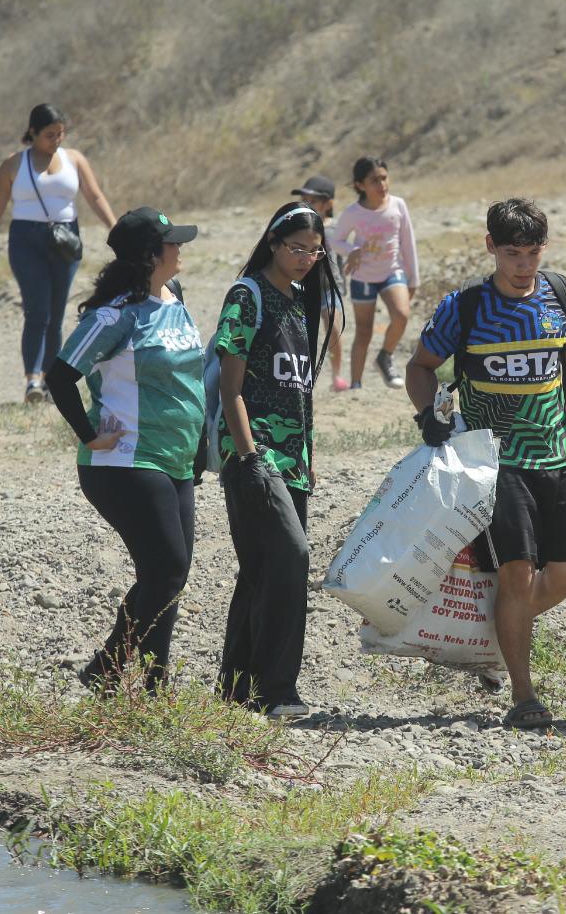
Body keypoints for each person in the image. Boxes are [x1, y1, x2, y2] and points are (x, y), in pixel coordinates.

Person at [406, 198, 566, 729]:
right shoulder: (466, 307)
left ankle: (492, 639)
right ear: (490, 248)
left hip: (559, 454)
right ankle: (524, 698)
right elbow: (421, 366)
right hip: (496, 460)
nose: (523, 265)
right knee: (518, 573)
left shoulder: (559, 294)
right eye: (511, 253)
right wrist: (428, 411)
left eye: (532, 252)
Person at [44, 207, 204, 692]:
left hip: (174, 459)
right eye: (172, 243)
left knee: (167, 574)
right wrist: (89, 435)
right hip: (123, 461)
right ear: (150, 255)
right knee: (168, 568)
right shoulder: (113, 316)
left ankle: (147, 683)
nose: (180, 249)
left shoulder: (173, 297)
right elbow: (60, 375)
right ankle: (113, 669)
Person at [214, 201, 340, 718]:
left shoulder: (302, 302)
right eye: (297, 248)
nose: (308, 258)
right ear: (273, 243)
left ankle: (235, 690)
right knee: (291, 558)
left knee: (262, 570)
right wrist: (249, 457)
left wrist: (305, 458)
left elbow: (300, 392)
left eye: (315, 251)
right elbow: (230, 388)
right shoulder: (249, 295)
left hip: (295, 461)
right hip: (255, 456)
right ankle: (277, 690)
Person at [0, 104, 119, 403]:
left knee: (57, 311)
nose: (56, 140)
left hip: (66, 240)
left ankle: (51, 381)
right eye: (50, 135)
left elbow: (94, 195)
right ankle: (32, 379)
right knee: (38, 311)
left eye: (61, 134)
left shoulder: (74, 159)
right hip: (26, 240)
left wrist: (116, 229)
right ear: (32, 133)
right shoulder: (13, 165)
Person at [329, 157, 418, 389]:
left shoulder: (398, 205)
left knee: (402, 314)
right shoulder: (353, 213)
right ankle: (356, 385)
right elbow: (335, 240)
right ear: (360, 185)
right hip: (363, 277)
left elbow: (408, 243)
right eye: (374, 180)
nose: (382, 184)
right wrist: (353, 250)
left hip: (392, 272)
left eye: (384, 178)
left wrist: (414, 279)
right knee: (364, 331)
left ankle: (385, 356)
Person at [294, 175, 349, 391]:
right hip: (302, 288)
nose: (307, 203)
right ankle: (301, 375)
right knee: (300, 332)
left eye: (313, 200)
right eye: (304, 198)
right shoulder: (299, 228)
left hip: (329, 287)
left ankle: (337, 375)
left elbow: (342, 258)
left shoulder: (336, 229)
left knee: (333, 328)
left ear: (329, 204)